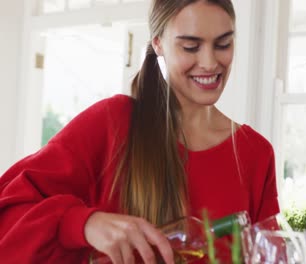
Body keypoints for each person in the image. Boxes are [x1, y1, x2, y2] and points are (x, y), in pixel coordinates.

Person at [0, 0, 280, 263]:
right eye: (191, 47)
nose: (209, 62)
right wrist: (82, 223)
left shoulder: (256, 153)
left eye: (223, 44)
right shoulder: (111, 123)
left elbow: (271, 254)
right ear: (158, 43)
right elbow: (9, 213)